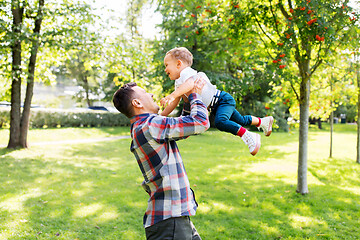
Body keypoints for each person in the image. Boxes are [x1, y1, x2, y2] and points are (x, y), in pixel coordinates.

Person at [112, 80, 209, 240]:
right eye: (145, 93)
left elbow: (183, 127)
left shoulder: (143, 127)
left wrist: (185, 100)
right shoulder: (151, 125)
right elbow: (200, 123)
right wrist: (194, 95)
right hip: (170, 220)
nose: (150, 94)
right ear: (137, 102)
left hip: (172, 218)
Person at [161, 47, 274, 156]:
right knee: (241, 120)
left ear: (179, 64)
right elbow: (174, 103)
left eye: (166, 65)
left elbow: (190, 84)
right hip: (216, 105)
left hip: (222, 100)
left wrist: (172, 95)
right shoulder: (179, 83)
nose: (165, 69)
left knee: (220, 122)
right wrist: (160, 116)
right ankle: (263, 122)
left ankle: (248, 136)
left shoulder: (186, 73)